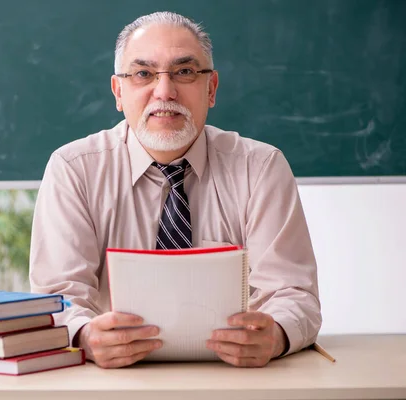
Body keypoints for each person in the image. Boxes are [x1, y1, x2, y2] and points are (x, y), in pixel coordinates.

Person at [29, 11, 321, 369]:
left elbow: (293, 295)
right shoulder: (74, 169)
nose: (164, 91)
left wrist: (275, 334)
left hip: (237, 379)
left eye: (184, 72)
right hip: (112, 380)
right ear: (119, 92)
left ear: (211, 88)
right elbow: (58, 298)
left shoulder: (260, 168)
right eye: (143, 74)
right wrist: (85, 335)